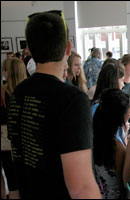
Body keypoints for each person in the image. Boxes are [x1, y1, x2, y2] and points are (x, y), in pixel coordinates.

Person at [7, 10, 101, 199]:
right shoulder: (72, 99)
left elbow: (16, 158)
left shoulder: (18, 92)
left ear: (30, 51)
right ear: (68, 48)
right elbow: (81, 188)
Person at [93, 88, 130, 199]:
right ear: (121, 117)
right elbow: (123, 184)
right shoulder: (118, 148)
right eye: (129, 111)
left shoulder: (92, 139)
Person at [1, 58, 27, 199]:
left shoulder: (4, 93)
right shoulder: (28, 93)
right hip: (25, 141)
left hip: (7, 142)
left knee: (12, 182)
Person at [91, 59, 128, 146]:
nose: (123, 85)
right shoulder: (101, 108)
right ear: (114, 81)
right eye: (122, 81)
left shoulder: (97, 105)